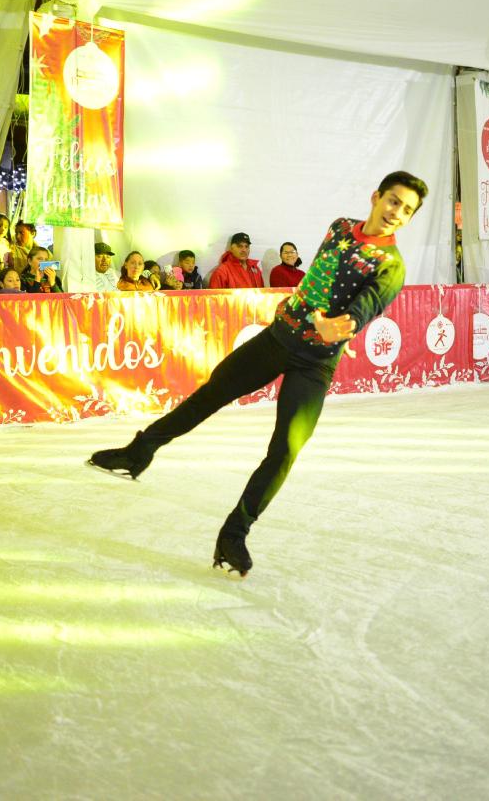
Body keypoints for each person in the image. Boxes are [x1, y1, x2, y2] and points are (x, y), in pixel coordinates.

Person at [87, 170, 428, 577]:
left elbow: (363, 308)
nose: (397, 213)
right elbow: (319, 280)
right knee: (211, 392)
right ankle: (139, 451)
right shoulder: (339, 228)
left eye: (407, 210)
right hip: (279, 338)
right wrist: (313, 314)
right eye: (394, 201)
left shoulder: (391, 265)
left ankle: (235, 532)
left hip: (316, 363)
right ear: (376, 197)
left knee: (286, 448)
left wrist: (341, 325)